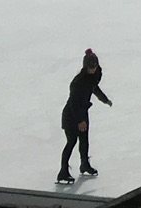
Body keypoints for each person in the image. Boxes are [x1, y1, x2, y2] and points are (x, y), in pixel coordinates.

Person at [57, 48, 113, 182]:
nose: (93, 69)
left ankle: (84, 165)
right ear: (85, 66)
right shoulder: (78, 82)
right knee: (71, 142)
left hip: (82, 112)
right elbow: (74, 104)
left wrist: (104, 99)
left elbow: (94, 88)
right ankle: (63, 171)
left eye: (95, 67)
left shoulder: (94, 76)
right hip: (71, 115)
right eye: (90, 67)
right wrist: (80, 120)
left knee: (84, 140)